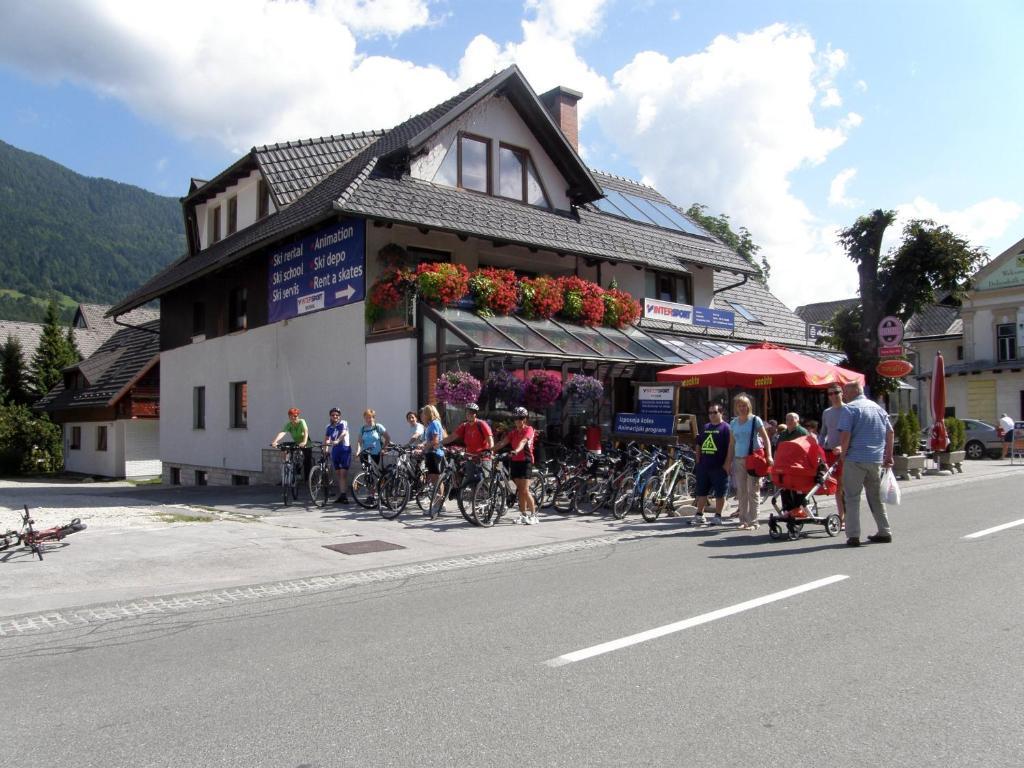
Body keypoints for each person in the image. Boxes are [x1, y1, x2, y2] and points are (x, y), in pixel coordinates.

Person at [837, 380, 895, 546]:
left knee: (852, 497)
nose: (844, 396)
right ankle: (885, 531)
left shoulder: (850, 409)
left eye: (845, 392)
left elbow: (845, 435)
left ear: (854, 391)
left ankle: (853, 535)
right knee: (875, 497)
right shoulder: (878, 408)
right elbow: (890, 432)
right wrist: (888, 455)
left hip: (855, 458)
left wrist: (843, 453)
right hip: (875, 459)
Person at [724, 394, 773, 530]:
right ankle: (743, 520)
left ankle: (753, 521)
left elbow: (766, 438)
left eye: (744, 405)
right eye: (739, 405)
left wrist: (769, 455)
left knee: (753, 491)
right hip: (739, 459)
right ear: (736, 408)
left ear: (749, 406)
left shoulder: (755, 420)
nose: (742, 408)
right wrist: (728, 462)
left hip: (753, 459)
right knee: (741, 491)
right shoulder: (733, 423)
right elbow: (732, 444)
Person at [494, 406, 537, 525]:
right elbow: (503, 442)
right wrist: (489, 450)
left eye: (521, 418)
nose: (518, 420)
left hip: (525, 461)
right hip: (515, 461)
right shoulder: (513, 432)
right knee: (520, 491)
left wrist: (516, 450)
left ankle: (533, 515)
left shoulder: (529, 429)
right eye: (516, 418)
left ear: (525, 419)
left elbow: (523, 442)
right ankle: (523, 515)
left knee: (525, 490)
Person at [691, 402, 731, 526]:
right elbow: (698, 444)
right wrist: (698, 460)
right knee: (701, 492)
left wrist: (727, 464)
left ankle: (718, 516)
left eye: (715, 412)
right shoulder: (705, 427)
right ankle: (699, 514)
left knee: (720, 492)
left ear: (721, 413)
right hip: (704, 466)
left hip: (719, 466)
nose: (712, 415)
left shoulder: (726, 428)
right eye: (710, 413)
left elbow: (731, 447)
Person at [820, 386, 849, 529]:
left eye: (836, 392)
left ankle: (846, 518)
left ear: (842, 393)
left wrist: (843, 447)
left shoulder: (848, 410)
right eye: (830, 393)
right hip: (830, 453)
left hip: (845, 453)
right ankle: (842, 517)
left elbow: (852, 433)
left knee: (843, 486)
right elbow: (823, 432)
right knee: (837, 487)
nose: (834, 395)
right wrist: (818, 449)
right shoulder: (827, 412)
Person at [357, 409, 390, 505]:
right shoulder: (363, 428)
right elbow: (359, 441)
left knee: (376, 475)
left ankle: (379, 494)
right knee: (368, 475)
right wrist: (358, 451)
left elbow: (388, 438)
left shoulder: (378, 427)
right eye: (366, 417)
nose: (368, 419)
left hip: (376, 454)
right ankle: (370, 495)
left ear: (373, 417)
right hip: (365, 454)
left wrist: (383, 449)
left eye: (370, 417)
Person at [272, 407, 310, 483]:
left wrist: (304, 442)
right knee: (286, 448)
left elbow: (306, 431)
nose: (294, 417)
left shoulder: (302, 421)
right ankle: (287, 469)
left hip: (306, 443)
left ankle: (307, 480)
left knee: (307, 460)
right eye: (291, 416)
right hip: (297, 443)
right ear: (289, 416)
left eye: (295, 416)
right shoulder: (289, 425)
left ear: (298, 416)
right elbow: (282, 433)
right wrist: (275, 441)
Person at [324, 407, 350, 504]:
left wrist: (338, 440)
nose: (335, 416)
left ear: (339, 416)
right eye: (333, 415)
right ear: (330, 416)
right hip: (335, 450)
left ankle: (344, 495)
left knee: (343, 473)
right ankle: (342, 494)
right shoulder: (328, 427)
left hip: (344, 449)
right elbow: (326, 438)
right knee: (339, 474)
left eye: (337, 415)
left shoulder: (343, 422)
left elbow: (344, 433)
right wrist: (326, 449)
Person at [419, 404, 446, 495]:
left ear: (428, 413)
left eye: (424, 413)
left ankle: (440, 503)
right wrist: (423, 446)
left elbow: (435, 440)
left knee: (437, 479)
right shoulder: (431, 424)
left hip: (435, 454)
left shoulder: (434, 423)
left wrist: (424, 449)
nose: (422, 415)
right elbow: (430, 440)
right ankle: (437, 502)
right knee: (434, 479)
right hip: (431, 454)